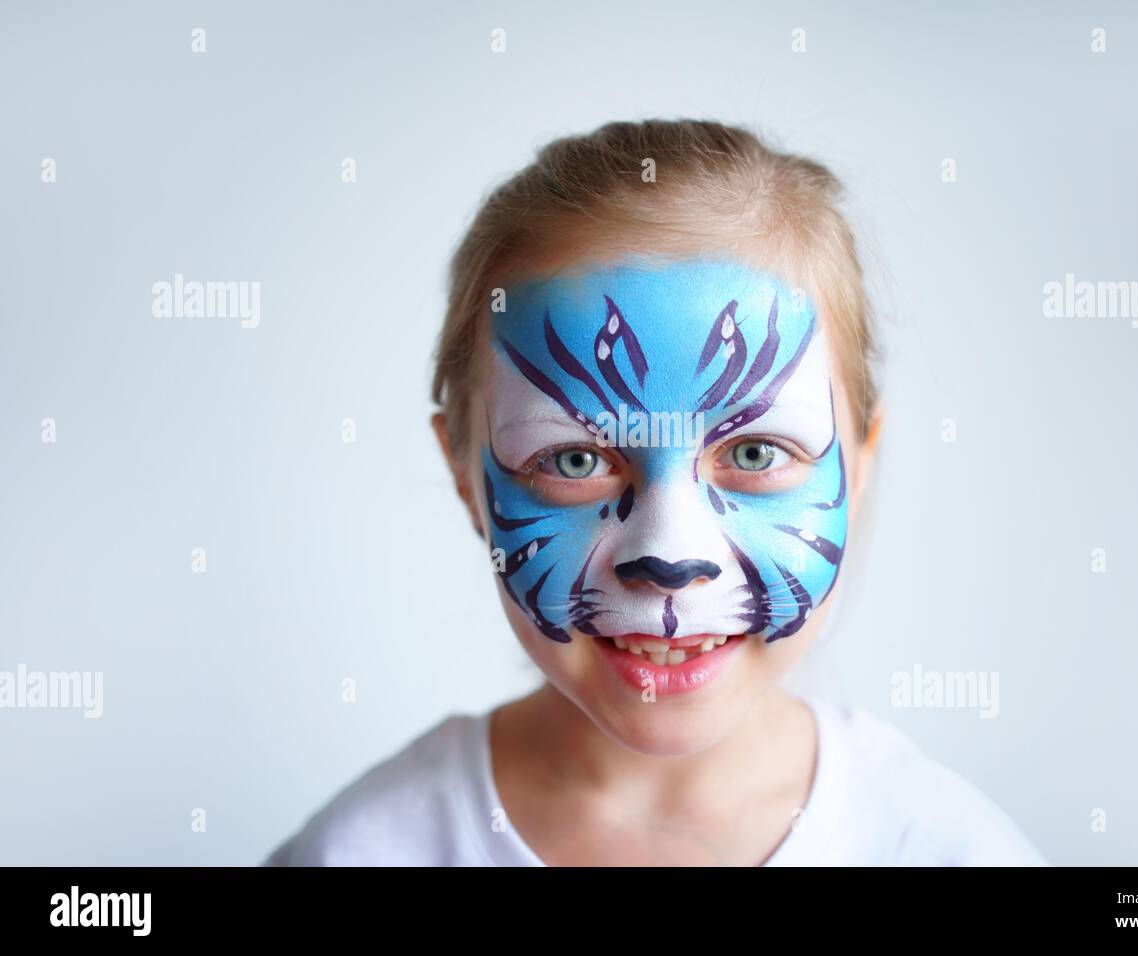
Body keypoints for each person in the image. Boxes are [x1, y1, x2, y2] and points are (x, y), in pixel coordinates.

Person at [265, 119, 1046, 866]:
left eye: (754, 450)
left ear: (861, 463)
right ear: (465, 476)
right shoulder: (365, 851)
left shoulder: (941, 848)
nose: (669, 559)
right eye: (573, 460)